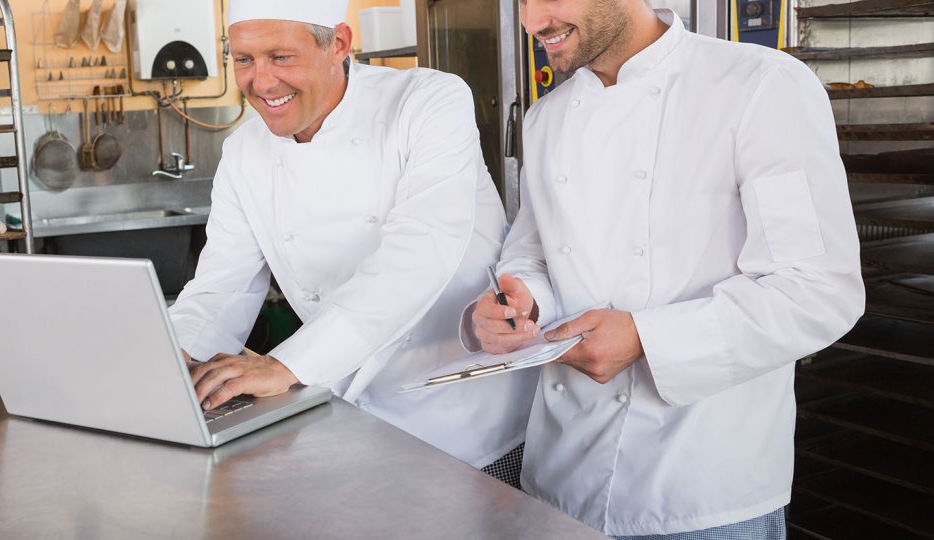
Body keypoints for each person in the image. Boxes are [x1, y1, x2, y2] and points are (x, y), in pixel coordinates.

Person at [466, 0, 865, 537]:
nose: (534, 20)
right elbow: (534, 250)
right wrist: (521, 300)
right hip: (557, 487)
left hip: (700, 492)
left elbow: (815, 290)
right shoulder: (546, 118)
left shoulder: (760, 88)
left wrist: (645, 338)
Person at [168, 0, 537, 474]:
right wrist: (167, 359)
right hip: (350, 414)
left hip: (464, 423)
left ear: (339, 44)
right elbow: (222, 287)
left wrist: (287, 366)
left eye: (281, 57)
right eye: (243, 59)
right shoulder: (244, 151)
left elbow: (419, 255)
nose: (260, 82)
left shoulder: (428, 101)